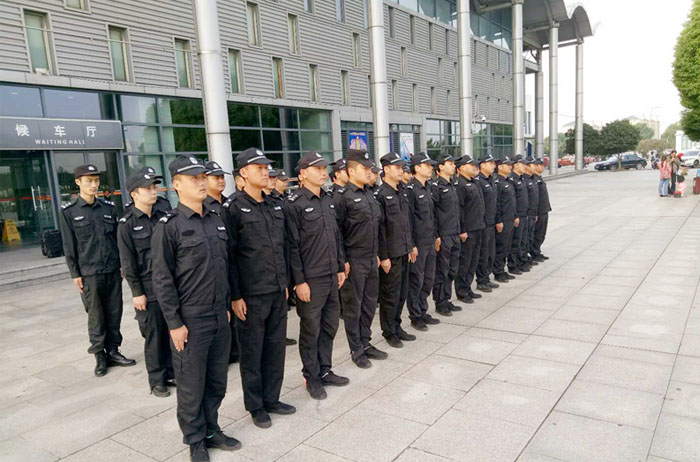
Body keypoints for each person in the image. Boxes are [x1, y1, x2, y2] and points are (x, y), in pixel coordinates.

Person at [151, 155, 240, 462]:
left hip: (218, 315)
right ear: (176, 185)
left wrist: (226, 304)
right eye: (193, 178)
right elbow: (162, 279)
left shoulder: (216, 219)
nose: (201, 183)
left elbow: (224, 267)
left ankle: (212, 429)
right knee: (191, 385)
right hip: (190, 319)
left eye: (203, 177)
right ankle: (195, 439)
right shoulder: (169, 227)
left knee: (217, 380)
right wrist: (174, 323)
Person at [223, 148, 296, 429]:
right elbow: (230, 256)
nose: (266, 173)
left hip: (276, 290)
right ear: (243, 173)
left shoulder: (274, 204)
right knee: (252, 352)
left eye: (267, 168)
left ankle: (272, 398)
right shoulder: (233, 208)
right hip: (251, 295)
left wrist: (285, 282)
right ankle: (255, 406)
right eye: (259, 168)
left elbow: (284, 246)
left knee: (275, 348)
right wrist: (235, 295)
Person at [60, 164, 135, 377]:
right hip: (89, 272)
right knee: (95, 316)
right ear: (78, 182)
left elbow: (117, 239)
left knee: (114, 311)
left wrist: (122, 264)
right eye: (89, 181)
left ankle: (113, 351)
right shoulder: (69, 211)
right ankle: (99, 356)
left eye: (96, 180)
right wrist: (75, 273)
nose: (94, 185)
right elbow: (69, 245)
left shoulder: (108, 208)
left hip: (111, 269)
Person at [285, 151, 349, 400]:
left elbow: (336, 236)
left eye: (324, 168)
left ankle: (325, 370)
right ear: (302, 174)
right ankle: (311, 376)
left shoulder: (328, 200)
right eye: (318, 169)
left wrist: (340, 266)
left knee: (330, 325)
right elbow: (292, 246)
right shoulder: (294, 204)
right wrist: (299, 281)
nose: (323, 173)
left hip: (331, 274)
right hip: (311, 279)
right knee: (311, 330)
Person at [117, 168, 173, 397]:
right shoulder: (127, 224)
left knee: (171, 330)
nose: (153, 191)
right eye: (147, 188)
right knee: (154, 335)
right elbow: (127, 262)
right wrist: (137, 292)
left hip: (168, 283)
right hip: (147, 287)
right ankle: (157, 379)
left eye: (154, 187)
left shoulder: (164, 215)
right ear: (134, 194)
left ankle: (171, 372)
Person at [336, 149, 385, 368]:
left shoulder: (369, 194)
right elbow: (337, 232)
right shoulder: (342, 197)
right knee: (353, 308)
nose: (368, 172)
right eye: (364, 168)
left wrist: (377, 254)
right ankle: (356, 349)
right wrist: (343, 261)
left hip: (370, 258)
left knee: (369, 304)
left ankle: (366, 342)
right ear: (351, 171)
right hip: (353, 260)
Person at [376, 153, 417, 348]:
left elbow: (406, 223)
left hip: (403, 250)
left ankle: (397, 326)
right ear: (386, 169)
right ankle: (389, 331)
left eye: (402, 167)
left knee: (401, 294)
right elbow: (381, 229)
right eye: (397, 167)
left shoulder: (401, 191)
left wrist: (410, 246)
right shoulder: (381, 195)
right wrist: (383, 256)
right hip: (390, 254)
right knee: (390, 296)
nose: (401, 171)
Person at [405, 153, 441, 331]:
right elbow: (408, 220)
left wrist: (436, 236)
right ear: (417, 167)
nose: (431, 168)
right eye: (427, 165)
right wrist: (411, 244)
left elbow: (432, 216)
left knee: (428, 279)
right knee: (416, 281)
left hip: (429, 240)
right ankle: (415, 315)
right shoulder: (410, 189)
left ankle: (423, 310)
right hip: (418, 244)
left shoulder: (428, 187)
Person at [431, 154, 463, 316]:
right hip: (444, 235)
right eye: (449, 163)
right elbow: (433, 213)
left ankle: (447, 298)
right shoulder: (436, 186)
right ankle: (440, 302)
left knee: (452, 269)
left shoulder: (452, 185)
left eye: (453, 163)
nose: (453, 166)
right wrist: (436, 235)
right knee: (441, 270)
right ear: (440, 167)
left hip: (454, 232)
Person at [454, 156, 485, 304]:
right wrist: (462, 229)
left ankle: (468, 287)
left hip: (478, 226)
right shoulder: (459, 184)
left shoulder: (474, 182)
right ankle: (461, 291)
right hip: (468, 230)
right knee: (465, 261)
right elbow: (459, 209)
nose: (474, 167)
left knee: (473, 261)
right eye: (471, 165)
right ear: (461, 168)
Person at [474, 156, 499, 293]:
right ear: (482, 165)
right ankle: (481, 280)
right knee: (483, 254)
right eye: (490, 163)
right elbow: (479, 205)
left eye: (493, 163)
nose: (493, 166)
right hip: (483, 223)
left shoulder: (491, 179)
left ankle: (487, 277)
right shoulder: (478, 181)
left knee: (490, 253)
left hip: (491, 221)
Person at [493, 158, 516, 283]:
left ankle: (502, 269)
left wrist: (515, 216)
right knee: (501, 247)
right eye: (506, 165)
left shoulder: (508, 181)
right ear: (500, 167)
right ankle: (498, 272)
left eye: (510, 165)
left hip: (510, 218)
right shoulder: (498, 182)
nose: (509, 167)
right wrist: (499, 220)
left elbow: (512, 202)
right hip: (503, 220)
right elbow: (497, 203)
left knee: (507, 246)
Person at [508, 158, 529, 276]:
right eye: (522, 164)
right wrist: (515, 215)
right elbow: (513, 200)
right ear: (515, 165)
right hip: (518, 215)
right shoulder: (512, 179)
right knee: (515, 241)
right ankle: (513, 264)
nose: (525, 166)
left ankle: (521, 261)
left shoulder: (522, 178)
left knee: (522, 240)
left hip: (524, 214)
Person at [532, 161, 552, 261]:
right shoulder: (534, 179)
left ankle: (537, 250)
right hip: (538, 210)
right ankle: (534, 252)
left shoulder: (539, 178)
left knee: (542, 233)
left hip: (544, 209)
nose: (543, 167)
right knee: (537, 233)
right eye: (541, 165)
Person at [524, 158, 541, 265]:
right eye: (533, 165)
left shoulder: (533, 179)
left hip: (532, 213)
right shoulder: (524, 180)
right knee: (522, 239)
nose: (535, 167)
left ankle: (527, 256)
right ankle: (520, 260)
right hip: (526, 214)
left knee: (529, 236)